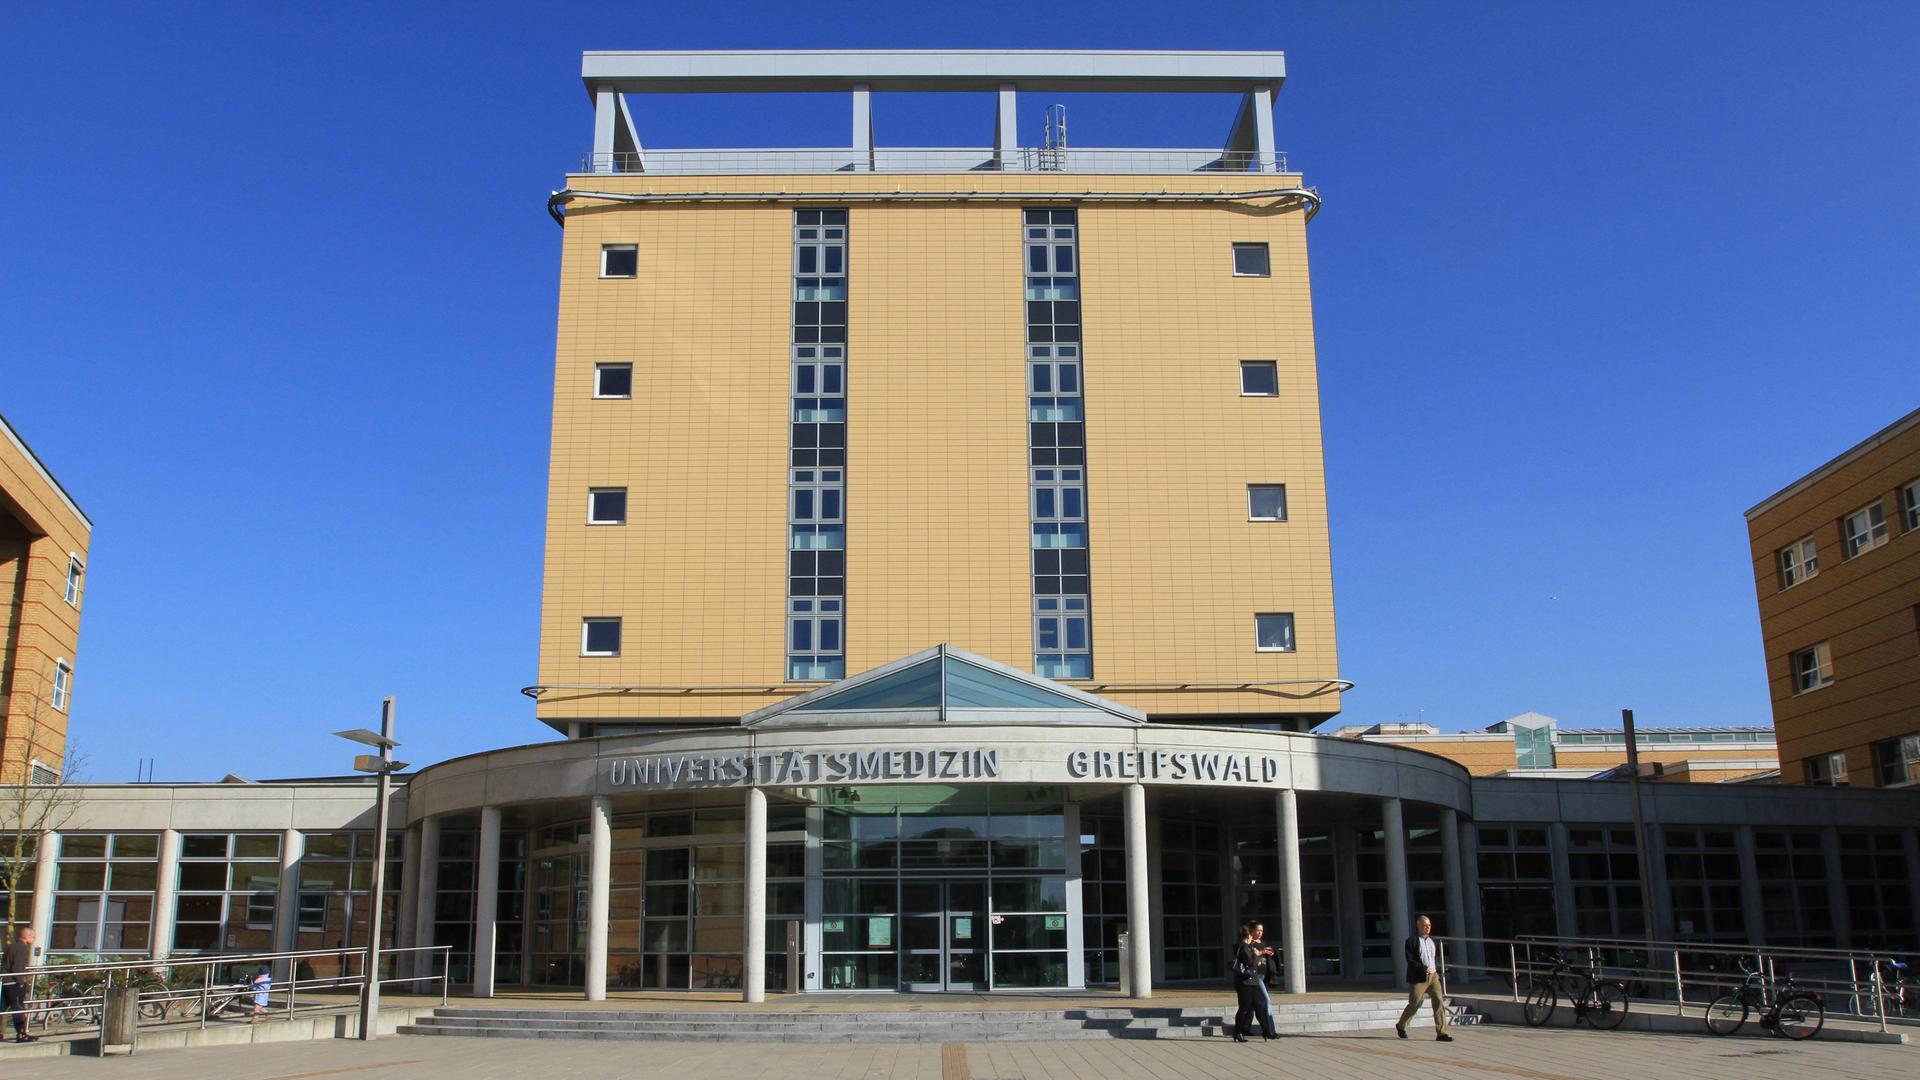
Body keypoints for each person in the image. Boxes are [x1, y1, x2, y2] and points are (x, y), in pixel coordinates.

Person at [1396, 914, 1453, 1042]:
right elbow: (1410, 960)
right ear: (1418, 926)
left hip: (1433, 976)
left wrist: (1435, 970)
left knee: (1438, 1001)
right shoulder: (1411, 941)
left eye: (1429, 925)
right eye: (1425, 925)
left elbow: (1433, 958)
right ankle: (1401, 1026)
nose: (1427, 928)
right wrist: (1423, 969)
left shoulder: (1432, 941)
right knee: (1415, 1003)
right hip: (1419, 978)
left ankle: (1442, 1033)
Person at [1228, 923, 1273, 1043]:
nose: (1253, 937)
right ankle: (1237, 1033)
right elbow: (1250, 962)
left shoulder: (1248, 946)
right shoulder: (1243, 947)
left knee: (1259, 1005)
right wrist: (1257, 955)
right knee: (1244, 1008)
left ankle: (1267, 1032)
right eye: (1251, 934)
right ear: (1247, 935)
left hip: (1251, 981)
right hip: (1244, 983)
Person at [2, 927, 39, 1043]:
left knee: (2, 1008)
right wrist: (21, 983)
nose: (34, 939)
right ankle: (21, 1034)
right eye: (33, 937)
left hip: (5, 981)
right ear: (27, 937)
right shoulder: (22, 947)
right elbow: (17, 967)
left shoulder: (11, 946)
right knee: (18, 1008)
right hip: (14, 982)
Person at [1248, 921, 1278, 1039]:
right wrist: (1261, 952)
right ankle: (1270, 1031)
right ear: (1252, 931)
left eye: (1262, 931)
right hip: (1255, 976)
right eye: (1258, 930)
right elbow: (1251, 959)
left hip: (1264, 975)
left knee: (1252, 1004)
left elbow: (1264, 954)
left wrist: (1268, 952)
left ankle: (1245, 1027)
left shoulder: (1262, 942)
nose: (1260, 933)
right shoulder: (1250, 943)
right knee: (1267, 1002)